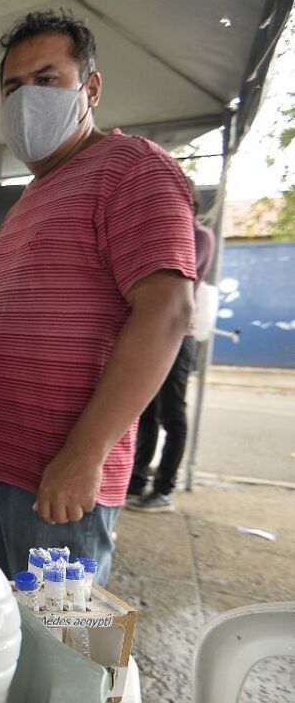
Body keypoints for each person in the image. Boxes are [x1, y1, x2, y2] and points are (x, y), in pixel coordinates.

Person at [0, 10, 196, 585]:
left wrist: (86, 453)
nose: (27, 99)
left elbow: (167, 312)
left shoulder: (132, 169)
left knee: (61, 646)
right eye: (13, 87)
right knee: (3, 632)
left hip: (61, 484)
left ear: (89, 88)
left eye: (46, 80)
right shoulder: (29, 201)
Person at [128, 207, 216, 512]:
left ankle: (164, 487)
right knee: (145, 412)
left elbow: (177, 285)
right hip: (150, 334)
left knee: (172, 415)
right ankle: (137, 480)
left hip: (177, 336)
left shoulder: (199, 236)